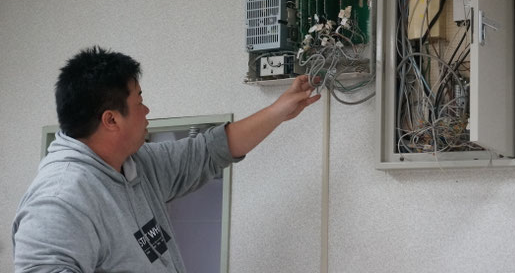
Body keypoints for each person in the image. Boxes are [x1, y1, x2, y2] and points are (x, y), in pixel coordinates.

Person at [12, 46, 321, 272]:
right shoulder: (61, 200)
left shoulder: (136, 164)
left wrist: (278, 111)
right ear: (111, 120)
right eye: (139, 101)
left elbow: (209, 150)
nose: (147, 110)